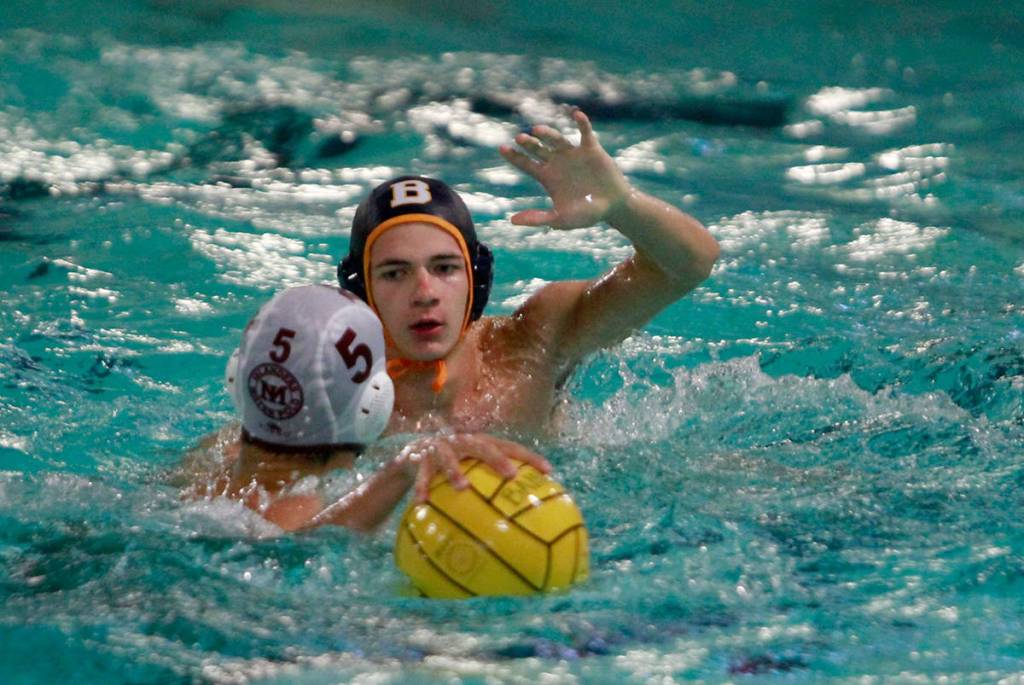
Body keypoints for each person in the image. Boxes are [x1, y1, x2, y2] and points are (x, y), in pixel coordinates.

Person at [337, 109, 720, 496]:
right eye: (394, 273)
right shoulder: (334, 392)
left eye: (445, 268)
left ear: (476, 280)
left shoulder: (534, 341)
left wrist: (622, 204)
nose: (424, 292)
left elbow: (688, 265)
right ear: (361, 290)